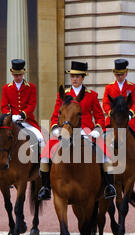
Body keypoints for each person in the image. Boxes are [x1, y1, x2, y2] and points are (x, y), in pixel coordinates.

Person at [37, 60, 116, 200]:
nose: (74, 79)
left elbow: (99, 116)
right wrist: (55, 128)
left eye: (77, 76)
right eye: (72, 76)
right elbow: (56, 115)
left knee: (105, 154)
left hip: (87, 131)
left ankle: (109, 186)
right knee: (45, 153)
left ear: (83, 78)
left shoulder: (91, 95)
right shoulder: (63, 94)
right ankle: (45, 187)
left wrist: (97, 129)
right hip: (65, 130)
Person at [0, 59, 44, 150]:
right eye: (16, 75)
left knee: (41, 138)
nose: (18, 77)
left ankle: (42, 163)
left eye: (19, 75)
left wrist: (22, 115)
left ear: (23, 73)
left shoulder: (31, 87)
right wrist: (10, 116)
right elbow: (4, 106)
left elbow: (32, 104)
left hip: (27, 121)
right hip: (11, 121)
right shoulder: (6, 88)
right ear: (12, 74)